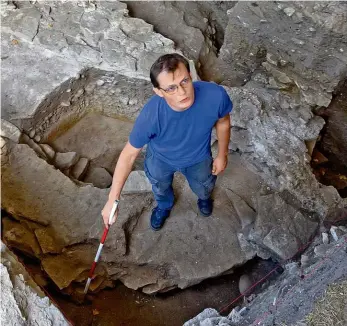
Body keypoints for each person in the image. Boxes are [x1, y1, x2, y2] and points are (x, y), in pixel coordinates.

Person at [102, 53, 232, 231]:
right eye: (171, 88)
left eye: (184, 81)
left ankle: (204, 198)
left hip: (198, 158)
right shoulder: (151, 116)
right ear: (158, 92)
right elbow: (128, 155)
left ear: (190, 75)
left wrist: (222, 155)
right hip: (160, 159)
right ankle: (164, 206)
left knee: (203, 186)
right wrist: (112, 200)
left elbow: (223, 122)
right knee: (160, 188)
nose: (181, 92)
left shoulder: (215, 96)